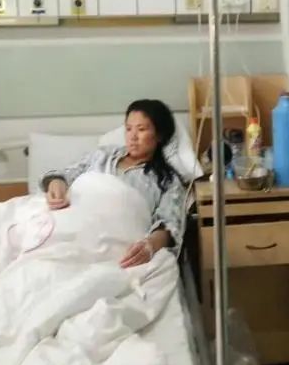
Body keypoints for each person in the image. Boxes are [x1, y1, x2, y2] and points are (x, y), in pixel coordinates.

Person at [41, 99, 186, 268]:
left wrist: (150, 244)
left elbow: (169, 225)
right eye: (128, 129)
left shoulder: (167, 181)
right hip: (72, 225)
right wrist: (56, 183)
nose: (132, 136)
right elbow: (66, 174)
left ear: (159, 135)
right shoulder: (102, 156)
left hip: (115, 241)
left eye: (141, 129)